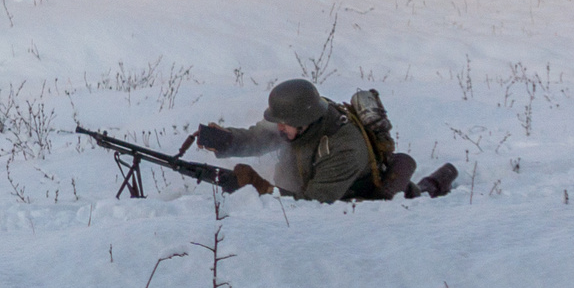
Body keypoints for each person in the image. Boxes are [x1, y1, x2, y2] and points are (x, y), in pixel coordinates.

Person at [195, 79, 456, 201]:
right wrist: (227, 140)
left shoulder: (343, 148)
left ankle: (434, 186)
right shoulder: (297, 121)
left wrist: (262, 189)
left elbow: (314, 206)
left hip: (356, 205)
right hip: (309, 189)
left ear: (303, 120)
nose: (278, 127)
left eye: (284, 122)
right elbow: (258, 137)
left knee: (421, 194)